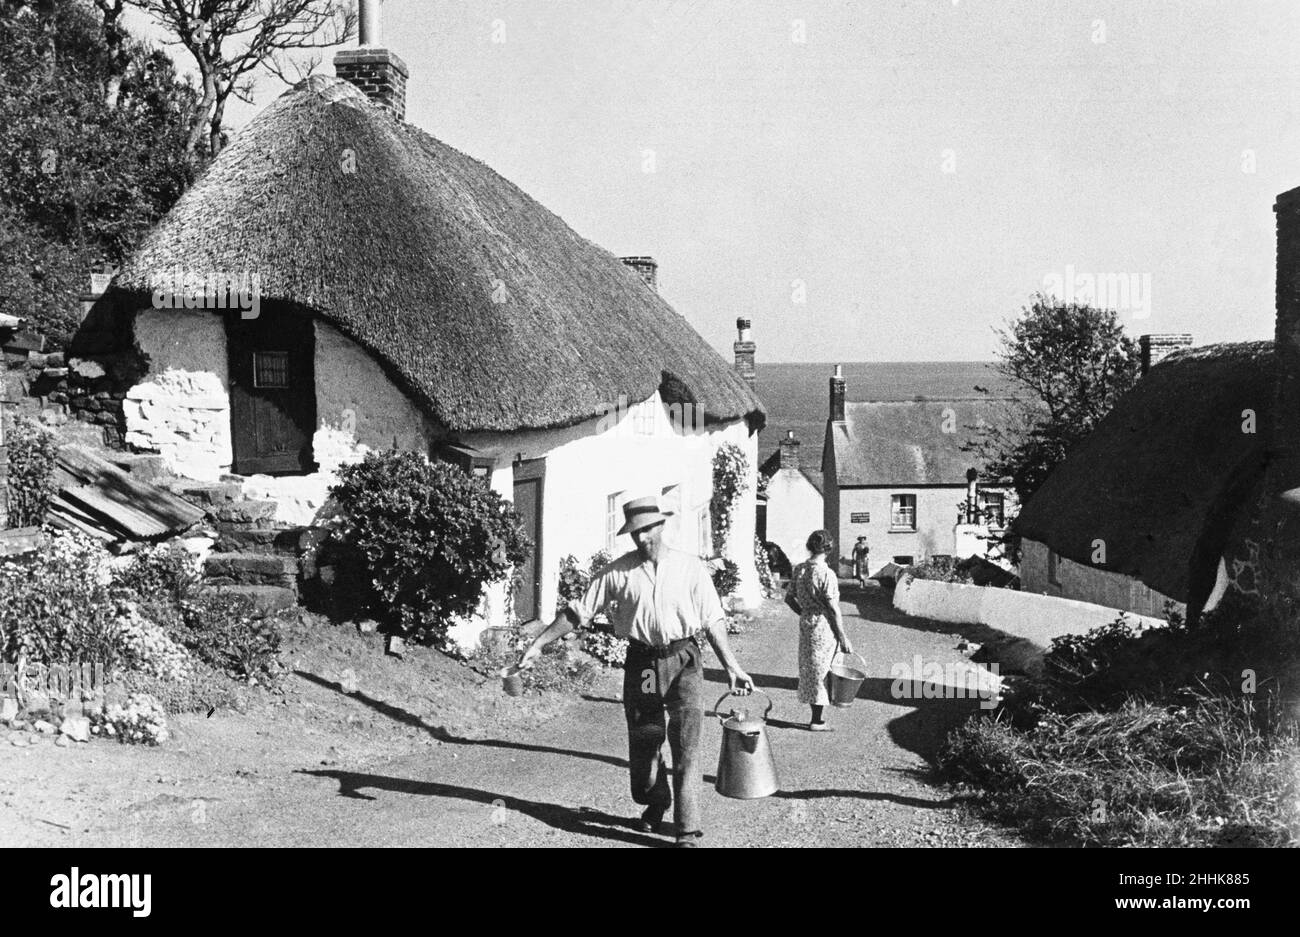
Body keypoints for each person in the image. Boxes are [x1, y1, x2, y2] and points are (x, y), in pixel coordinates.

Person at [517, 494, 755, 847]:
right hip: (642, 663)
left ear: (662, 524)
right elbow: (576, 612)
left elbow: (712, 620)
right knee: (645, 746)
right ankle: (656, 800)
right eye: (635, 533)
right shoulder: (618, 572)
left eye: (647, 530)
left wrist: (732, 666)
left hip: (684, 660)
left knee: (687, 746)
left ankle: (686, 830)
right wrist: (538, 643)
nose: (642, 538)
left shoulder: (691, 568)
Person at [785, 529, 854, 731]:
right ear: (829, 548)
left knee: (811, 668)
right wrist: (843, 637)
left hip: (807, 623)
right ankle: (817, 720)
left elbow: (789, 598)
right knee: (824, 669)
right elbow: (833, 608)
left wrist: (804, 612)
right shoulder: (826, 574)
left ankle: (816, 717)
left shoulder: (800, 569)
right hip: (824, 625)